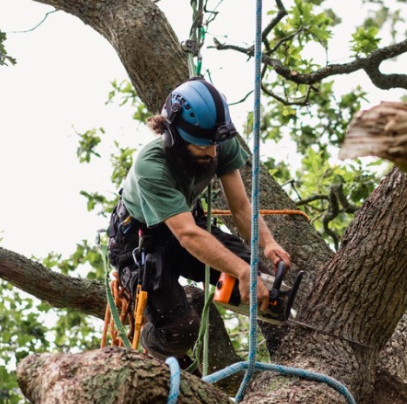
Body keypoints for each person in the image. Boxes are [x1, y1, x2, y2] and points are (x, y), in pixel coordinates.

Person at [107, 77, 291, 363]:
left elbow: (241, 207)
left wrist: (267, 243)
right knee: (180, 329)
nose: (213, 152)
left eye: (216, 144)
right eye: (203, 146)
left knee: (266, 288)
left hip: (187, 226)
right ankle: (153, 343)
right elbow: (188, 235)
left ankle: (286, 358)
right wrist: (241, 271)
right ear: (173, 137)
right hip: (142, 243)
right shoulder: (151, 166)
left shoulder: (215, 140)